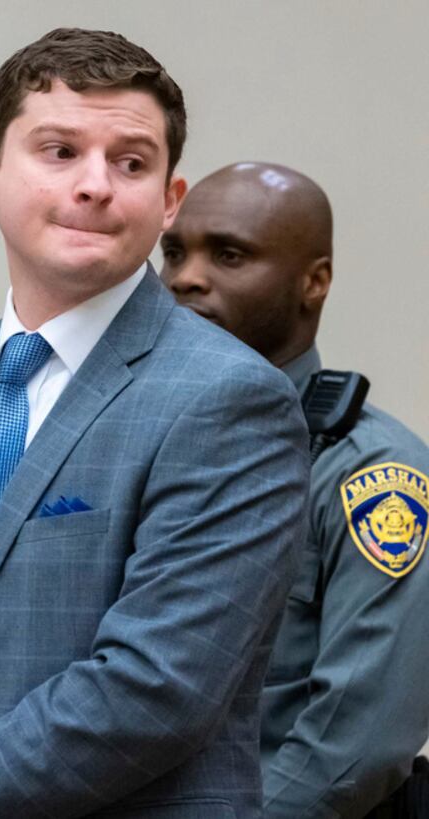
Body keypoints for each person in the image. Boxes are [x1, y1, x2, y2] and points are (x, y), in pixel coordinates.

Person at [0, 29, 311, 818]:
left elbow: (154, 688)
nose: (96, 185)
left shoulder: (230, 400)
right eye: (60, 150)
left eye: (132, 162)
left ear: (170, 199)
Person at [161, 162, 429, 819]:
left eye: (229, 254)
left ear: (315, 281)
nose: (186, 277)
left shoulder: (371, 475)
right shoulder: (144, 447)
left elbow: (353, 746)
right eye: (173, 251)